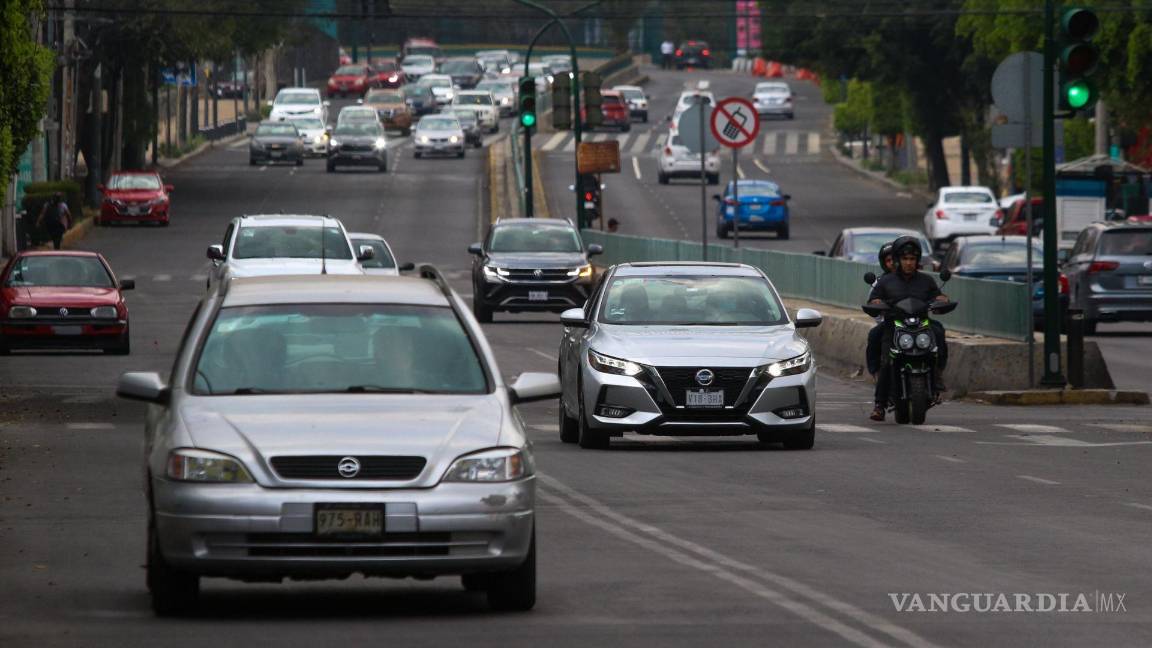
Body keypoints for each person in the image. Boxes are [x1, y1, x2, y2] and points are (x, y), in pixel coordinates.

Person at [867, 236, 949, 421]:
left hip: (921, 325)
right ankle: (879, 404)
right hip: (895, 327)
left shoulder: (927, 281)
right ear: (897, 260)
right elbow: (873, 300)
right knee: (887, 362)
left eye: (912, 259)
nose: (909, 263)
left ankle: (937, 379)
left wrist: (941, 299)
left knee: (938, 335)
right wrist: (876, 302)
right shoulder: (886, 282)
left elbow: (937, 296)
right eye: (905, 259)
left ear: (917, 260)